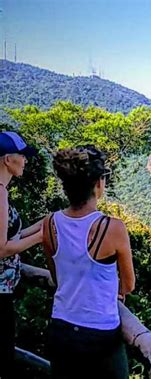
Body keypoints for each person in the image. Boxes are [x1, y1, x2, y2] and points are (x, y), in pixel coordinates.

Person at [42, 146, 135, 379]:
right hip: (100, 334)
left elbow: (57, 276)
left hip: (61, 328)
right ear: (98, 183)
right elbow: (128, 284)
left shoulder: (50, 224)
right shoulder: (112, 228)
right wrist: (116, 292)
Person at [0, 131, 43, 378]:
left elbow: (10, 235)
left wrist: (42, 224)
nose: (26, 161)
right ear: (8, 159)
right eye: (22, 156)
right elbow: (2, 248)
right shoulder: (0, 192)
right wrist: (40, 238)